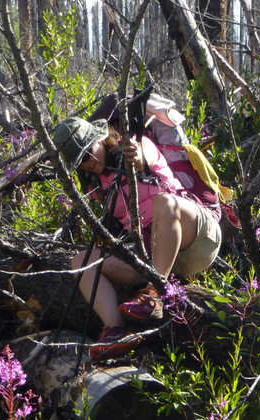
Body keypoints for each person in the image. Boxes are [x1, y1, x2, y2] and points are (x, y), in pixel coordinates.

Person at [51, 116, 222, 359]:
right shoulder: (99, 187)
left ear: (100, 139)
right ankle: (115, 331)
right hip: (157, 254)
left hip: (199, 239)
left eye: (88, 154)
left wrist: (136, 158)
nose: (87, 164)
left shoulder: (138, 146)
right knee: (81, 261)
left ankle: (156, 294)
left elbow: (144, 156)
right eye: (79, 162)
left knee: (164, 203)